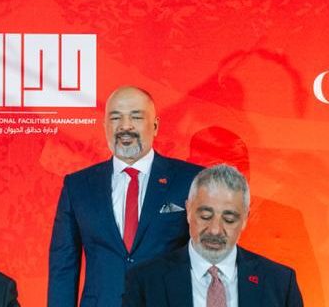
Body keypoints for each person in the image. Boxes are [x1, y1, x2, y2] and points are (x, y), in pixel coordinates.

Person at [49, 86, 204, 307]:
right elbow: (63, 265)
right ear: (104, 126)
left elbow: (208, 258)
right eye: (115, 118)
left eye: (136, 117)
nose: (125, 126)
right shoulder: (78, 186)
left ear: (155, 126)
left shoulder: (191, 180)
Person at [123, 164, 303, 307]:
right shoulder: (145, 281)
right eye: (205, 216)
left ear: (245, 219)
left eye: (229, 219)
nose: (215, 230)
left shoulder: (280, 283)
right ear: (188, 210)